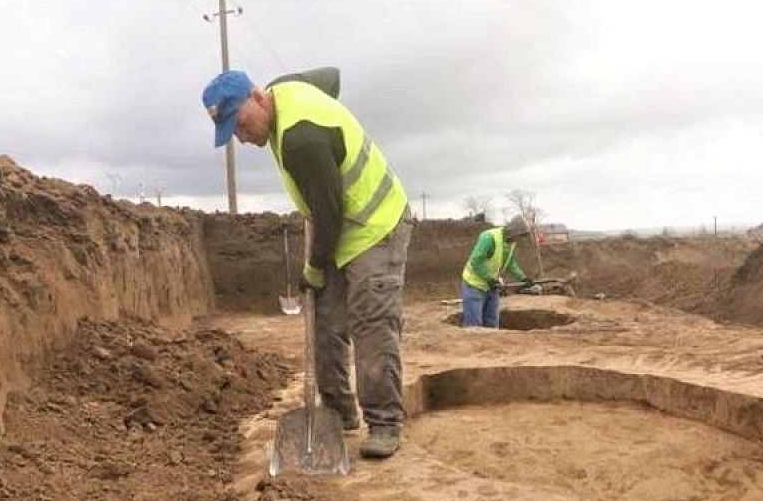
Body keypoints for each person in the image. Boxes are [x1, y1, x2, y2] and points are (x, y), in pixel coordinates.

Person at [202, 68, 413, 459]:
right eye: (232, 132)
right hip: (339, 225)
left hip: (375, 223)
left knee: (370, 323)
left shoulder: (302, 140)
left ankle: (385, 422)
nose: (242, 138)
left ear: (258, 98)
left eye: (242, 124)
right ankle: (338, 415)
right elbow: (330, 77)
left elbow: (328, 213)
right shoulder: (284, 91)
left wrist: (315, 267)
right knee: (325, 320)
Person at [459, 215, 540, 328]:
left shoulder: (511, 242)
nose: (521, 239)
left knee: (492, 324)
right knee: (474, 327)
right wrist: (489, 279)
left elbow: (510, 263)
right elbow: (476, 261)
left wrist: (523, 278)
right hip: (474, 286)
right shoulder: (489, 238)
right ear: (514, 232)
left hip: (492, 286)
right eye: (521, 236)